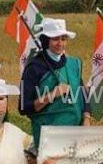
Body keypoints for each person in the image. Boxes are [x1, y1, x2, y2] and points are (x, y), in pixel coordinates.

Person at [20, 18, 91, 151]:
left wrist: (86, 117)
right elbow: (24, 107)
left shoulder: (73, 64)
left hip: (76, 135)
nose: (60, 43)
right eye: (55, 39)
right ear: (46, 41)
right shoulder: (34, 68)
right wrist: (52, 95)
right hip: (49, 139)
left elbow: (82, 92)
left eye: (63, 39)